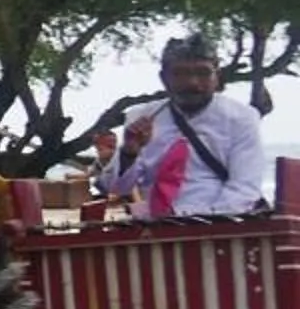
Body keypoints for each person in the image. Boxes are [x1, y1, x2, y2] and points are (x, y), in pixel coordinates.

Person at [90, 33, 269, 219]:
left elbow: (244, 189)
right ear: (163, 78)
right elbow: (115, 188)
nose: (192, 82)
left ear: (217, 76)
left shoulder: (242, 118)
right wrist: (129, 153)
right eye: (180, 74)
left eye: (203, 73)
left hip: (222, 223)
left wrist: (202, 222)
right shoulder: (142, 118)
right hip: (158, 224)